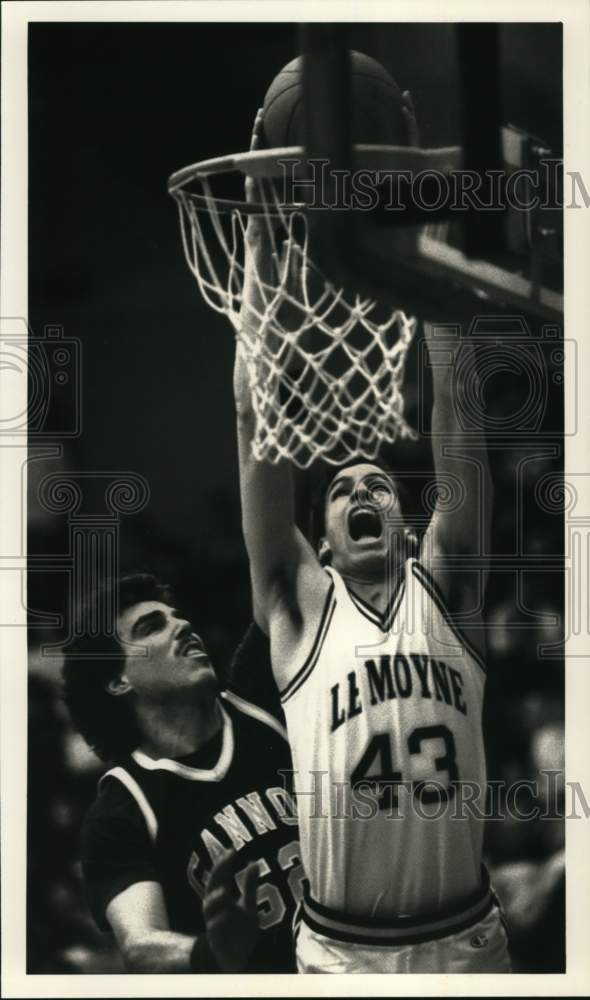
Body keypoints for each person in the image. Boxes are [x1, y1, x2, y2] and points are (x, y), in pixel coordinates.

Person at [232, 107, 512, 973]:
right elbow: (253, 417)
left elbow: (458, 412)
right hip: (341, 957)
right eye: (343, 489)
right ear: (321, 543)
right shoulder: (298, 610)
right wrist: (261, 244)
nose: (362, 489)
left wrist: (433, 267)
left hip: (467, 943)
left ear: (406, 524)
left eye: (380, 486)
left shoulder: (447, 587)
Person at [63, 572, 303, 973]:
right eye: (152, 626)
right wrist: (211, 950)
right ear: (119, 681)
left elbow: (278, 575)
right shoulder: (121, 812)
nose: (183, 625)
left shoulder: (259, 696)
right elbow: (141, 944)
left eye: (176, 616)